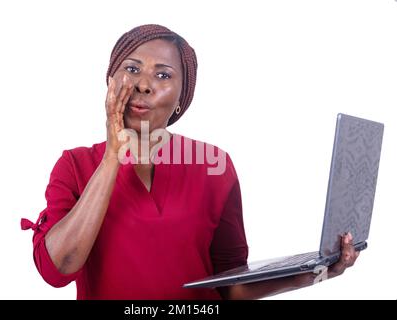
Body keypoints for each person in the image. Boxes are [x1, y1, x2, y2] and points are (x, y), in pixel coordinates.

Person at [21, 24, 360, 300]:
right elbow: (56, 270)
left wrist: (321, 270)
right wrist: (113, 155)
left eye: (163, 75)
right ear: (111, 81)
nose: (143, 85)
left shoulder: (214, 166)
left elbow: (230, 286)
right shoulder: (75, 165)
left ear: (183, 98)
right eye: (132, 69)